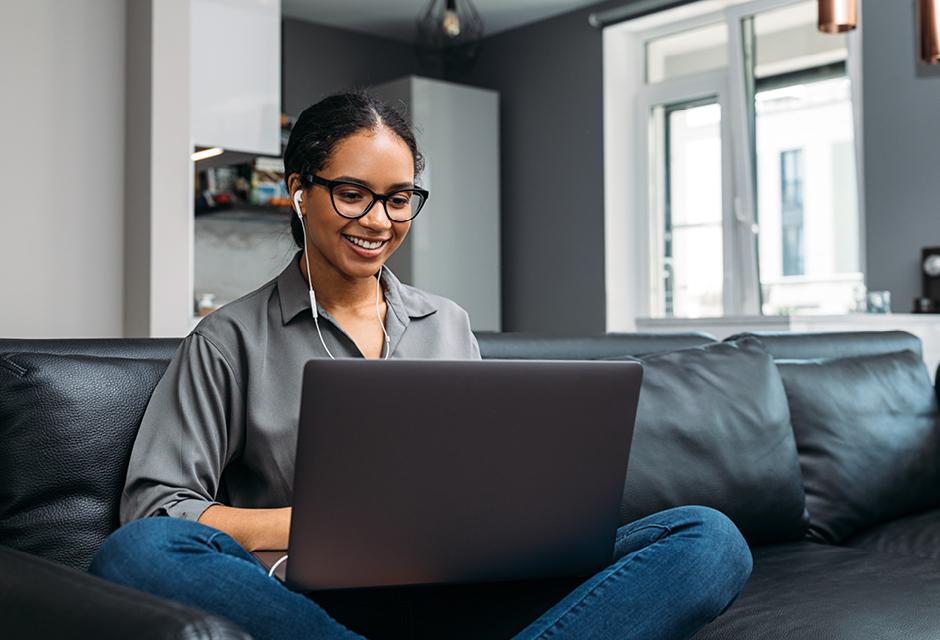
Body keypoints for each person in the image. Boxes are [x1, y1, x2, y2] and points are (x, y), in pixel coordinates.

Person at [90, 91, 752, 640]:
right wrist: (329, 524)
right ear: (299, 192)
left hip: (468, 589)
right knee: (137, 555)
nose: (378, 220)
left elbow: (483, 479)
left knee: (710, 538)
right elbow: (156, 510)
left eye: (398, 198)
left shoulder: (448, 323)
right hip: (314, 611)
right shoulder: (227, 339)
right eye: (352, 194)